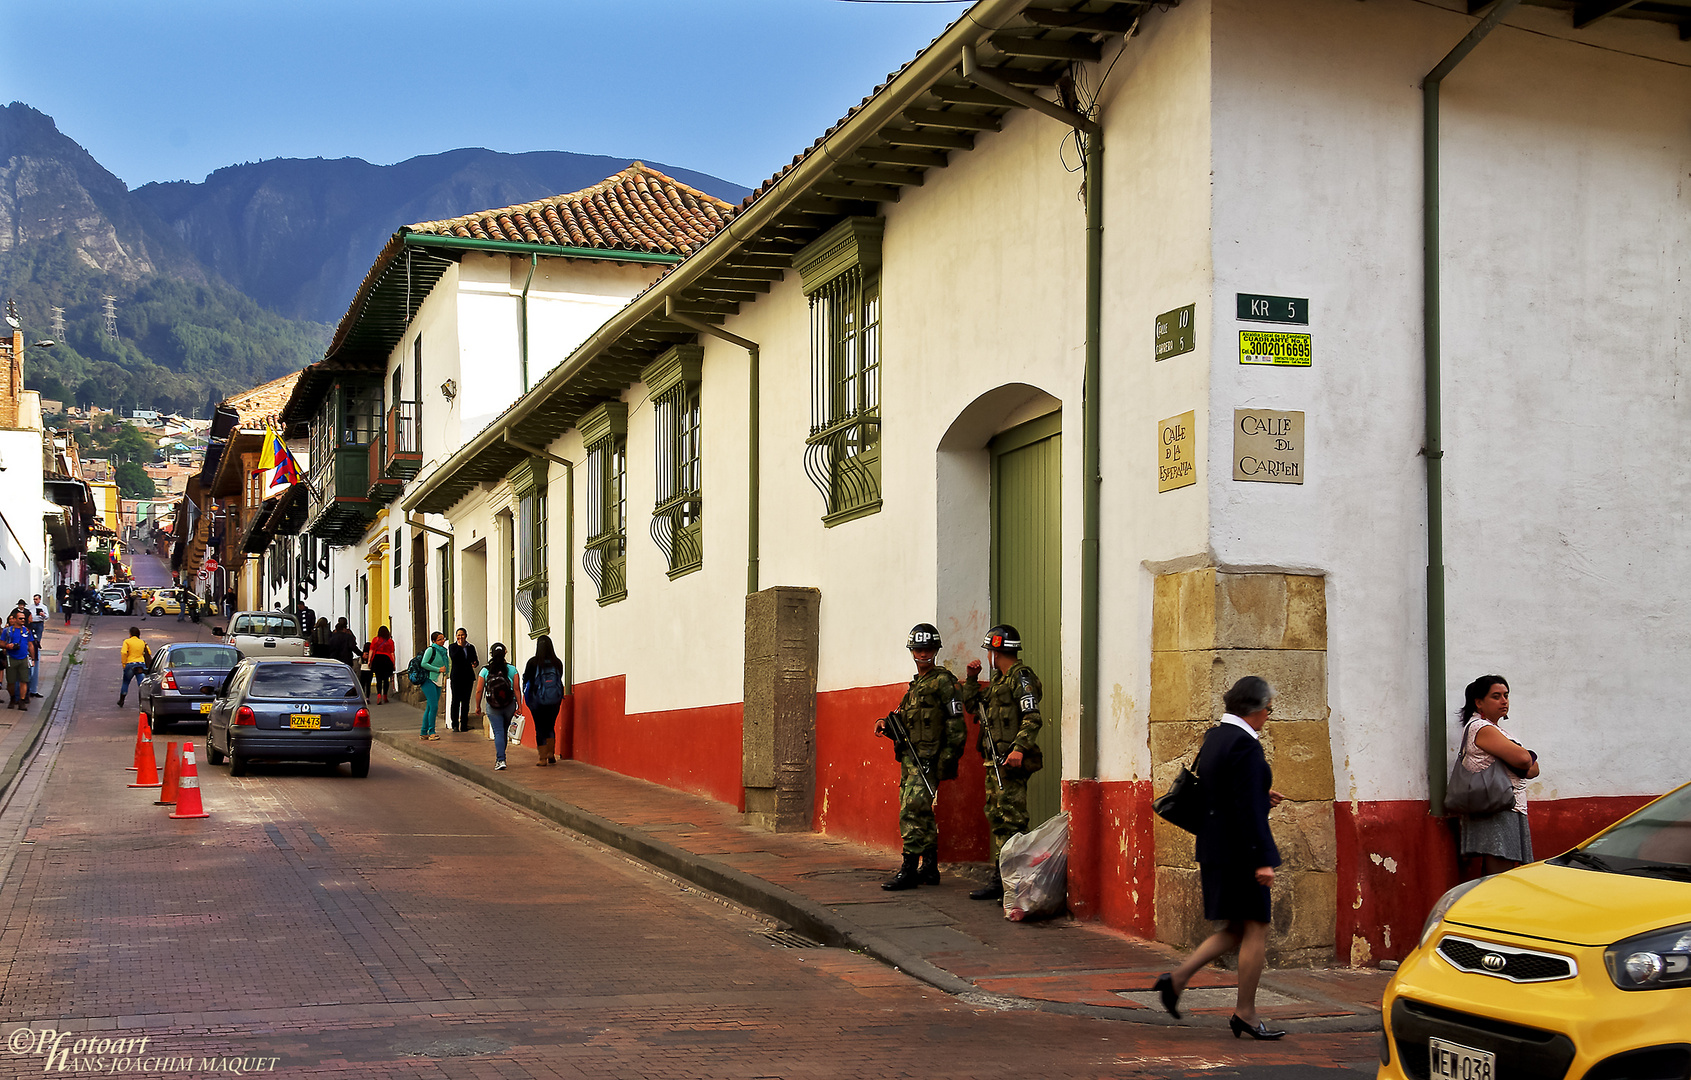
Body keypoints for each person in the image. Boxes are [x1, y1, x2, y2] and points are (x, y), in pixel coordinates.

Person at [1157, 675, 1288, 1041]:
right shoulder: (1246, 745)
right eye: (1268, 709)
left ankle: (1177, 980)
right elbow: (1245, 809)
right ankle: (1245, 1013)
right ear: (1256, 710)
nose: (1268, 715)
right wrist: (1264, 859)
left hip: (1216, 845)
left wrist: (1262, 793)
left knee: (1233, 929)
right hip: (1241, 852)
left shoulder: (1216, 737)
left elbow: (1227, 792)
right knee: (1256, 928)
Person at [872, 623, 966, 890]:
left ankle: (910, 868)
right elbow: (905, 718)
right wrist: (885, 723)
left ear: (936, 650)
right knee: (921, 812)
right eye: (918, 648)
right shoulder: (915, 687)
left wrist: (947, 761)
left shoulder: (944, 682)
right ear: (912, 651)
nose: (923, 653)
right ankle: (930, 868)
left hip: (928, 760)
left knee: (911, 811)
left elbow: (956, 725)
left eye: (928, 648)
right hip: (911, 759)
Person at [959, 623, 1044, 901]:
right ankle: (1002, 879)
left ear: (996, 651)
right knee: (998, 819)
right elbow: (972, 706)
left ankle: (1018, 884)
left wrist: (1019, 749)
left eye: (989, 652)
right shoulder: (998, 681)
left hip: (1011, 762)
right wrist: (972, 680)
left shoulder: (1021, 678)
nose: (987, 657)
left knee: (1013, 821)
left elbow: (1032, 717)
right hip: (995, 762)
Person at [1455, 675, 1539, 878]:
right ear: (1479, 702)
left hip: (1505, 806)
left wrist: (1524, 759)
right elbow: (1524, 760)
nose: (1504, 701)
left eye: (1506, 695)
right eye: (1496, 696)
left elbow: (1533, 769)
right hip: (1497, 807)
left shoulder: (1496, 729)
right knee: (1499, 874)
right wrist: (1526, 756)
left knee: (1502, 872)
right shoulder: (1481, 728)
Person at [472, 642, 522, 770]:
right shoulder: (512, 669)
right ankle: (501, 756)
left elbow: (479, 690)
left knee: (498, 732)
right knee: (503, 732)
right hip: (509, 704)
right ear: (505, 652)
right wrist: (520, 706)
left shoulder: (485, 670)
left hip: (492, 706)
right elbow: (516, 689)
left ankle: (501, 759)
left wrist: (477, 706)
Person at [522, 635, 566, 766]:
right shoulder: (557, 662)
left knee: (540, 728)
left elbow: (526, 679)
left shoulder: (533, 662)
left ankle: (542, 758)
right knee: (550, 726)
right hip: (554, 700)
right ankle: (551, 754)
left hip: (538, 701)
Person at [417, 630, 449, 740]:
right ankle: (432, 731)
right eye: (439, 639)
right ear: (434, 641)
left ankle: (423, 732)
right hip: (429, 680)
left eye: (443, 638)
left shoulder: (443, 651)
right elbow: (424, 663)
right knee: (434, 706)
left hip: (438, 680)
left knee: (430, 706)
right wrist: (438, 669)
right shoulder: (430, 650)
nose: (442, 641)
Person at [1, 611, 36, 710]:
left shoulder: (26, 631)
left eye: (24, 618)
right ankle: (12, 698)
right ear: (15, 619)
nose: (23, 620)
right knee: (11, 682)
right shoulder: (7, 631)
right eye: (20, 618)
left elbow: (30, 644)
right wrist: (8, 646)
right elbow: (1, 643)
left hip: (23, 658)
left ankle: (22, 701)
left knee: (24, 681)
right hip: (11, 658)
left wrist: (33, 658)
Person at [447, 628, 479, 733]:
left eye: (462, 635)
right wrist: (460, 647)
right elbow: (455, 658)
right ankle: (455, 724)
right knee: (456, 700)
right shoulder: (453, 647)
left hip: (468, 677)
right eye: (458, 635)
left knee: (466, 701)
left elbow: (475, 659)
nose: (461, 637)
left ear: (466, 635)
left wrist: (475, 663)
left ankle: (464, 724)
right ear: (456, 636)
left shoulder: (470, 647)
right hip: (456, 677)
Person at [117, 625, 150, 709]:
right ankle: (143, 702)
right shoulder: (142, 642)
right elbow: (148, 652)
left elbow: (124, 652)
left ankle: (121, 700)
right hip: (141, 665)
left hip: (130, 664)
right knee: (141, 684)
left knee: (126, 682)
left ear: (130, 634)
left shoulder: (127, 641)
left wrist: (124, 664)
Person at [367, 626, 396, 704]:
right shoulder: (390, 641)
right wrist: (393, 663)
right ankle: (385, 696)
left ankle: (379, 695)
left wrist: (369, 661)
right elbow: (392, 653)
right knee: (386, 679)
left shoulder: (375, 640)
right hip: (387, 660)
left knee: (378, 679)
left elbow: (371, 650)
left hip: (377, 660)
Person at [27, 595, 47, 699]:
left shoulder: (43, 607)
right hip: (28, 654)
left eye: (37, 599)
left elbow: (47, 617)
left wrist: (43, 615)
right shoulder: (26, 629)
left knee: (34, 671)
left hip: (34, 651)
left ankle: (33, 690)